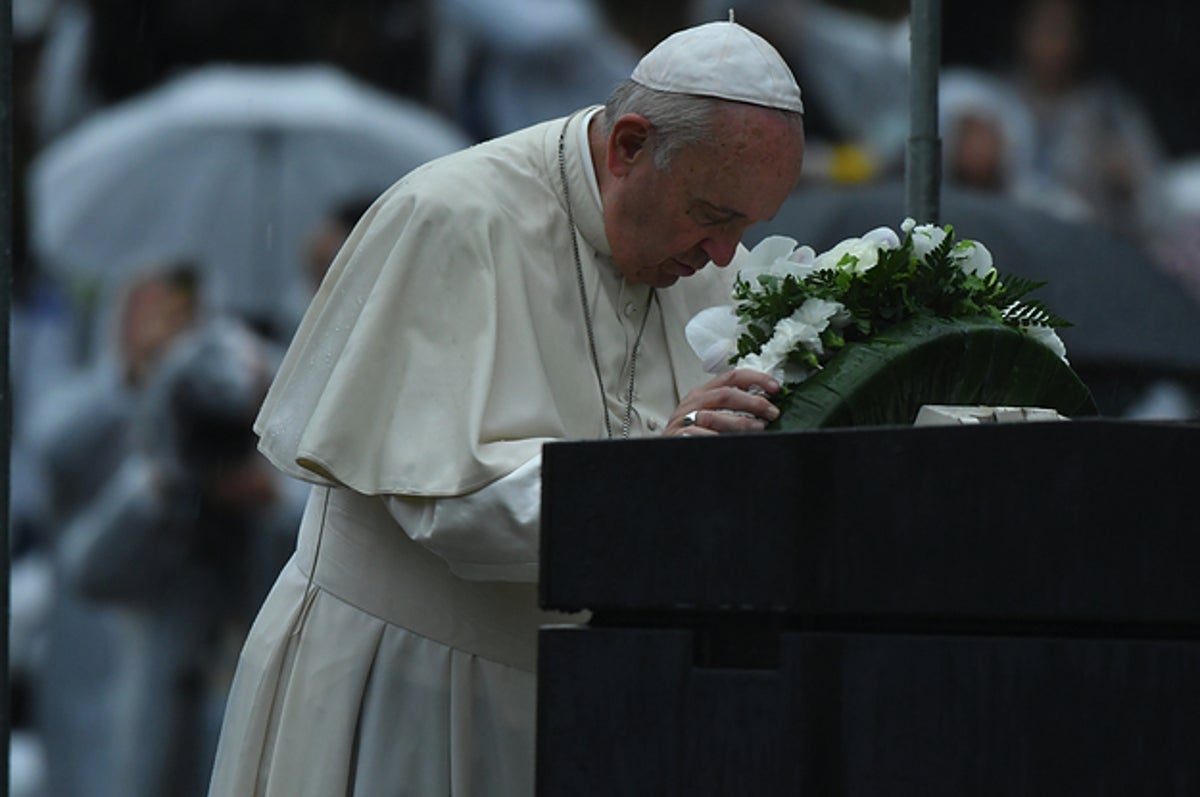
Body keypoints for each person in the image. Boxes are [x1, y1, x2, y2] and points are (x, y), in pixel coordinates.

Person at [208, 18, 805, 796]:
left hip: (575, 701)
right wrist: (658, 468)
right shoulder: (453, 217)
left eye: (747, 227)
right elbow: (452, 507)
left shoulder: (699, 259)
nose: (723, 255)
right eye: (714, 215)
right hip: (403, 684)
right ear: (628, 147)